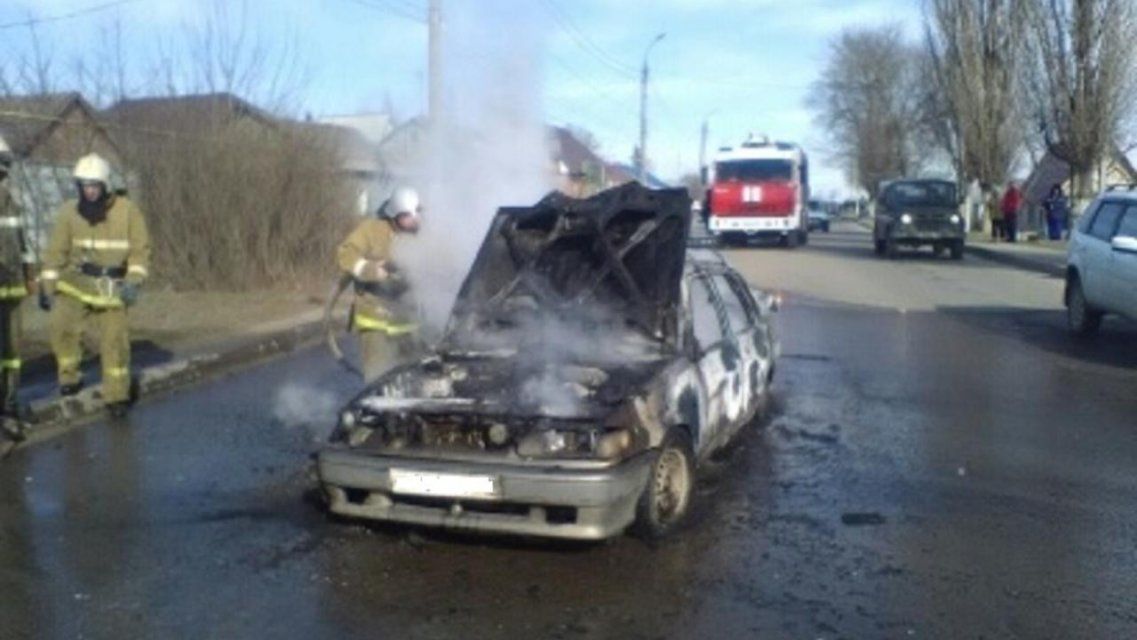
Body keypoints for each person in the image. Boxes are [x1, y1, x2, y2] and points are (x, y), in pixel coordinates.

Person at [39, 154, 151, 418]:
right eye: (84, 185)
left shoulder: (127, 211)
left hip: (112, 286)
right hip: (76, 282)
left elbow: (141, 252)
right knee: (61, 327)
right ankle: (69, 378)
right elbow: (55, 252)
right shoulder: (69, 211)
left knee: (114, 341)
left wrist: (133, 282)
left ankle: (116, 395)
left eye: (94, 185)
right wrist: (47, 287)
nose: (89, 191)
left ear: (105, 185)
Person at [336, 186, 421, 382]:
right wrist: (370, 270)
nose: (414, 220)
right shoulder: (372, 230)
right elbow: (345, 254)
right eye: (407, 216)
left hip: (406, 319)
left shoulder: (421, 235)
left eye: (416, 214)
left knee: (413, 378)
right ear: (394, 215)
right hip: (375, 319)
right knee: (379, 378)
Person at [0, 135, 33, 441]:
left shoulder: (12, 202)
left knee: (12, 352)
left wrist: (29, 275)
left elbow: (23, 245)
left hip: (12, 291)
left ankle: (9, 404)